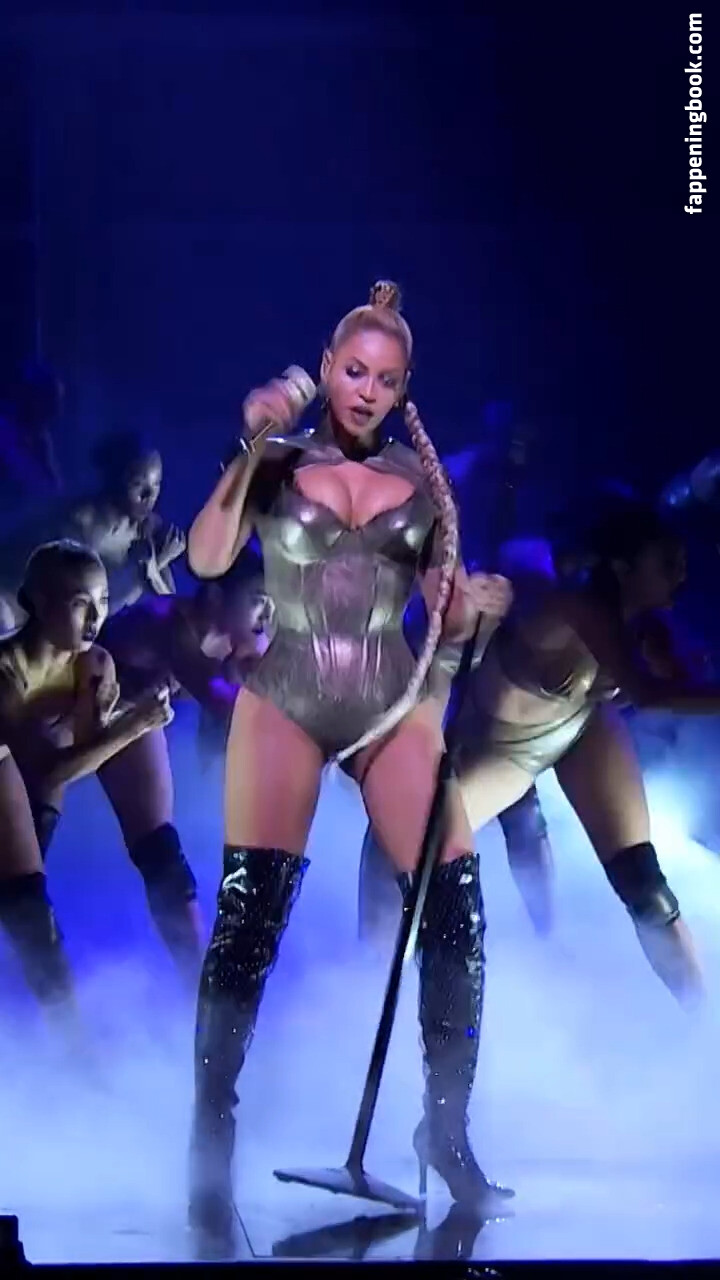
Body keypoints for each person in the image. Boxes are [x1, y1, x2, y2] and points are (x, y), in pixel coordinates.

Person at [186, 280, 514, 1236]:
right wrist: (249, 444)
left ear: (405, 387)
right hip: (286, 696)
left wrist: (478, 607)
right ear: (328, 369)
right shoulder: (279, 460)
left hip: (387, 700)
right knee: (248, 918)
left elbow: (449, 614)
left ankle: (444, 1131)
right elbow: (206, 559)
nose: (367, 391)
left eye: (387, 379)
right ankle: (210, 1140)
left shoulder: (423, 484)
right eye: (355, 371)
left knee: (456, 909)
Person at [446, 494, 720, 1009]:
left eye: (681, 563)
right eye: (666, 563)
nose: (681, 575)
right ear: (623, 568)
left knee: (645, 885)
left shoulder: (647, 623)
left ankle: (702, 1016)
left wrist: (682, 664)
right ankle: (393, 972)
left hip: (582, 727)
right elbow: (649, 694)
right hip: (506, 748)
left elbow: (676, 681)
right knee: (419, 857)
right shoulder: (577, 606)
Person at [0, 540, 172, 1022]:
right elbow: (49, 771)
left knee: (31, 919)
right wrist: (132, 727)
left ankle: (69, 1043)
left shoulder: (92, 664)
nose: (96, 617)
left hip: (32, 795)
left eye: (103, 601)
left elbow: (84, 757)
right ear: (39, 603)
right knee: (26, 910)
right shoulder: (6, 675)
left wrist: (121, 722)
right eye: (81, 604)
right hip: (14, 781)